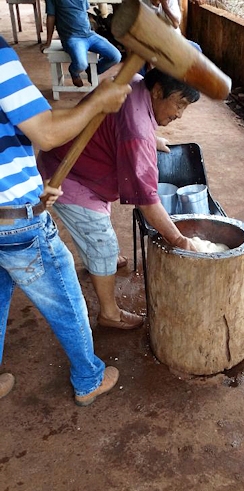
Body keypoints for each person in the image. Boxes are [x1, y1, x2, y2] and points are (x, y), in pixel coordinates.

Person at [0, 35, 131, 405]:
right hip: (15, 222)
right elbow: (47, 133)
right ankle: (89, 378)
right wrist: (98, 101)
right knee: (65, 296)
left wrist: (29, 185)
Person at [39, 69, 199, 330]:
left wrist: (151, 138)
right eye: (179, 104)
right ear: (158, 91)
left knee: (96, 233)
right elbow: (147, 202)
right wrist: (179, 239)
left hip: (84, 165)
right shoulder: (137, 133)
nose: (179, 114)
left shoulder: (133, 82)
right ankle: (109, 314)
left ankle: (102, 260)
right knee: (100, 239)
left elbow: (119, 123)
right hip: (68, 176)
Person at [40, 0, 122, 87]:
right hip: (73, 38)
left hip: (89, 34)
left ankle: (92, 71)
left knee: (115, 56)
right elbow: (51, 17)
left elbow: (84, 11)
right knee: (81, 64)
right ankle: (74, 72)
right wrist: (48, 41)